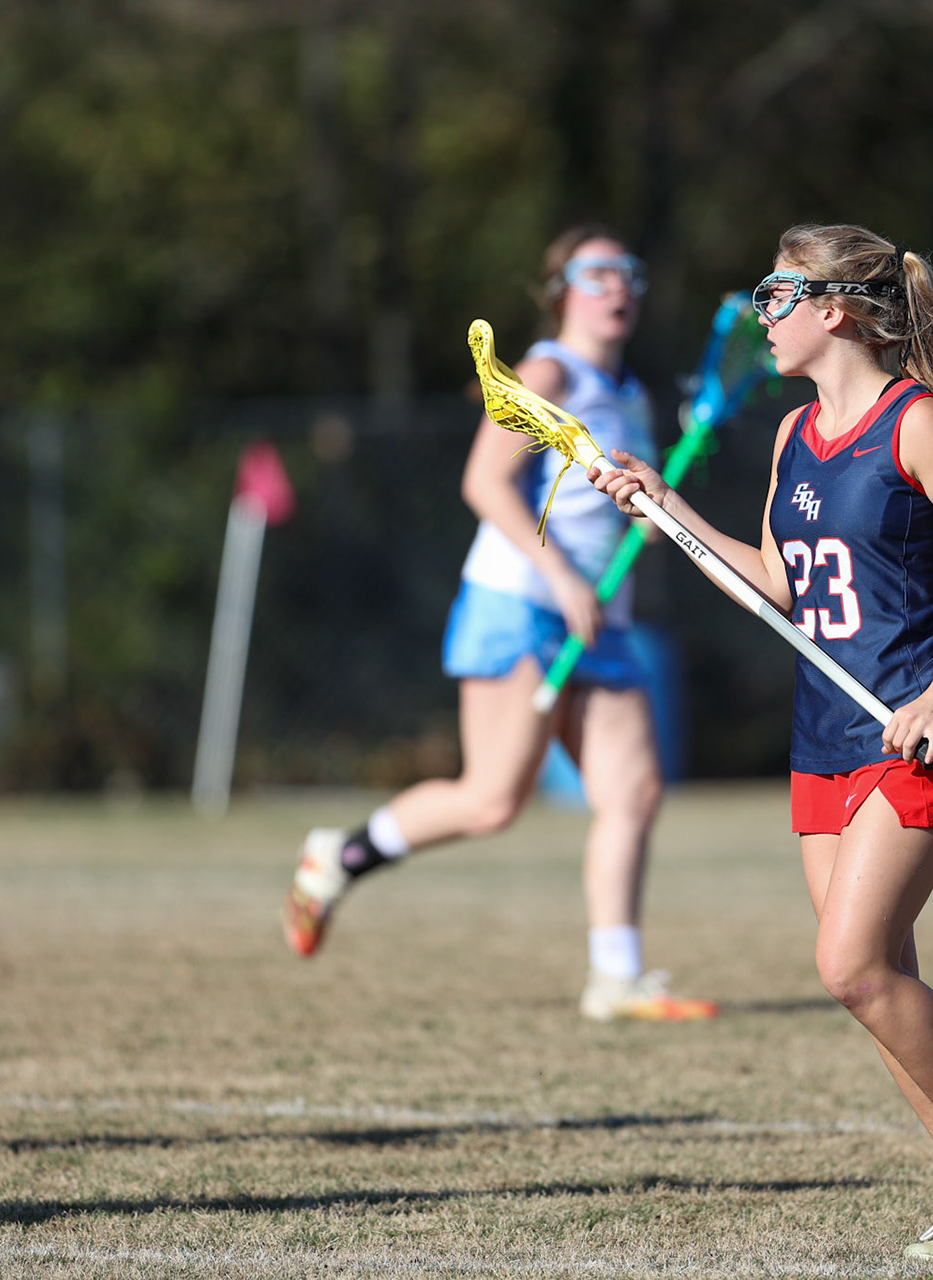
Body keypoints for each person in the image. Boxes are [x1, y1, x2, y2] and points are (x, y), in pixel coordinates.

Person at [592, 224, 933, 1258]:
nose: (760, 316)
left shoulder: (920, 426)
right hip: (823, 735)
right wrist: (663, 506)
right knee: (875, 979)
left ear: (836, 308)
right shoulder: (791, 435)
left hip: (913, 734)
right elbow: (775, 582)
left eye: (775, 294)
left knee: (851, 965)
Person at [280, 225, 716, 1024]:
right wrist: (558, 574)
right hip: (521, 599)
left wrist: (650, 520)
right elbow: (484, 481)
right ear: (561, 291)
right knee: (490, 801)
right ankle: (337, 855)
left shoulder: (629, 396)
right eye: (597, 273)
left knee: (634, 791)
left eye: (629, 272)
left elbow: (618, 505)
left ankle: (614, 978)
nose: (617, 286)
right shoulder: (548, 371)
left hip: (598, 613)